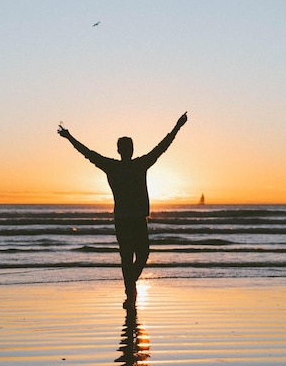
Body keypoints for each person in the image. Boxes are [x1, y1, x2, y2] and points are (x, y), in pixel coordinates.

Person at [57, 112, 188, 306]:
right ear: (120, 150)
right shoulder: (114, 166)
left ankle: (130, 285)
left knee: (141, 255)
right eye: (126, 147)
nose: (129, 150)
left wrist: (178, 127)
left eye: (130, 147)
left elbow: (161, 148)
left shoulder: (138, 164)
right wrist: (69, 138)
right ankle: (131, 296)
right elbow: (88, 153)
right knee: (128, 257)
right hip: (126, 219)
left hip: (135, 218)